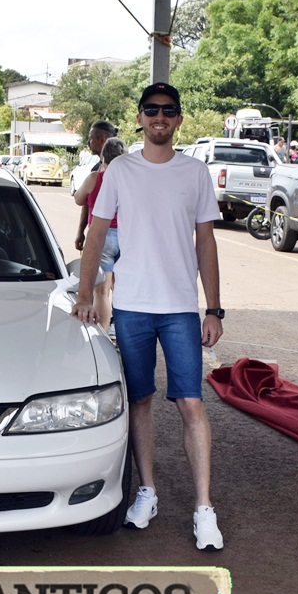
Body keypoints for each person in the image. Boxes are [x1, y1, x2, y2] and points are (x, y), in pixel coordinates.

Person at [72, 82, 225, 551]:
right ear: (140, 117)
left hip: (179, 308)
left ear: (179, 119)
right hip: (133, 306)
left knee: (191, 404)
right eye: (152, 109)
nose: (160, 117)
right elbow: (96, 234)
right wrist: (85, 294)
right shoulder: (121, 170)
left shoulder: (195, 172)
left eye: (168, 110)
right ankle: (148, 492)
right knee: (139, 401)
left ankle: (204, 508)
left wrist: (214, 308)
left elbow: (205, 241)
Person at [73, 136, 127, 335]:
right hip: (126, 237)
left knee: (102, 291)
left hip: (102, 237)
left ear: (103, 157)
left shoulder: (96, 178)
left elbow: (79, 199)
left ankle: (103, 334)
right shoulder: (130, 181)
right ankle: (121, 333)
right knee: (123, 290)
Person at [74, 119, 118, 253]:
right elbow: (88, 203)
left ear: (102, 140)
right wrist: (80, 231)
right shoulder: (97, 168)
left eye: (90, 138)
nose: (88, 142)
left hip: (102, 237)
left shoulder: (97, 175)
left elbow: (79, 199)